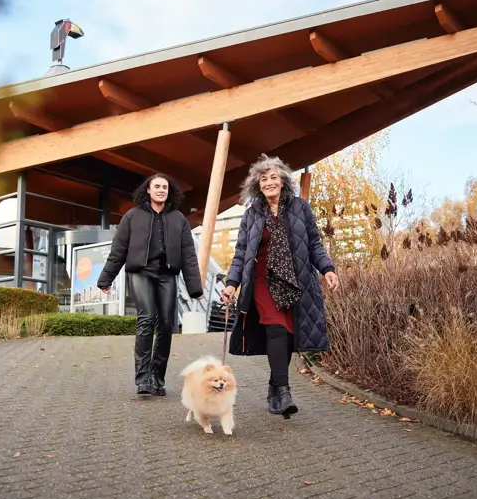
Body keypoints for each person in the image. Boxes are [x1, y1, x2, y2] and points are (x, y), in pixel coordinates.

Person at [221, 155, 338, 418]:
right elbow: (241, 253)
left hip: (296, 282)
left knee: (286, 335)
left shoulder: (300, 208)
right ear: (257, 185)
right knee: (275, 328)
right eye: (264, 179)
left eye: (274, 177)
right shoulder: (251, 214)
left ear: (283, 181)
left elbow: (314, 244)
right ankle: (284, 391)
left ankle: (274, 386)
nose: (269, 182)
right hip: (262, 280)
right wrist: (232, 284)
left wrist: (327, 269)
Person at [97, 174, 203, 396]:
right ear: (148, 189)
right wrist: (106, 279)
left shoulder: (178, 219)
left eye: (165, 187)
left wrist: (195, 287)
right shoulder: (132, 217)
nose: (161, 190)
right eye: (157, 186)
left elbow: (189, 255)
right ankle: (143, 378)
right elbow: (119, 250)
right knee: (146, 319)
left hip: (167, 275)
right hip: (141, 273)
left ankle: (157, 378)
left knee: (166, 324)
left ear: (169, 191)